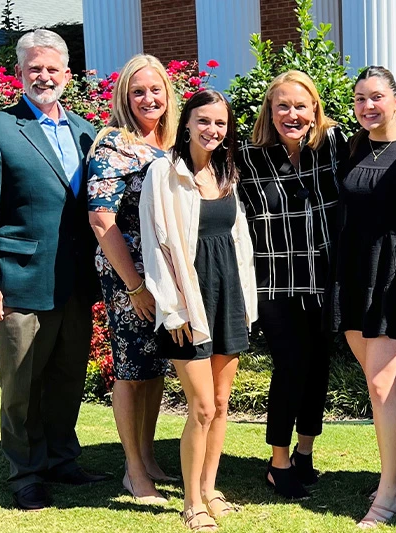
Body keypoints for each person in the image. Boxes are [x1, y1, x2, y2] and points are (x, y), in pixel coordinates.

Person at [0, 29, 107, 511]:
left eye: (52, 68)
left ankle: (62, 459)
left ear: (68, 74)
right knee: (22, 384)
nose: (44, 76)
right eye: (34, 68)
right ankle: (26, 472)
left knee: (68, 377)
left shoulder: (87, 130)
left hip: (75, 281)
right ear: (19, 73)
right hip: (20, 278)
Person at [140, 90, 257, 532]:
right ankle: (192, 503)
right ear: (186, 122)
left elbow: (239, 242)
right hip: (188, 302)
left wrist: (246, 302)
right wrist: (173, 310)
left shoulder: (227, 173)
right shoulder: (164, 172)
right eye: (203, 120)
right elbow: (155, 246)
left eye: (220, 123)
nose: (212, 129)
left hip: (228, 295)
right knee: (202, 407)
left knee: (222, 403)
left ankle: (210, 489)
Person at [329, 66, 396, 528]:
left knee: (381, 386)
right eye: (360, 98)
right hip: (355, 275)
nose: (368, 106)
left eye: (376, 97)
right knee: (378, 386)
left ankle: (390, 493)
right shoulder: (352, 147)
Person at [237, 70, 347, 500]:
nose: (292, 114)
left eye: (301, 105)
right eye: (282, 105)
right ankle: (278, 462)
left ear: (315, 109)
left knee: (318, 369)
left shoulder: (333, 145)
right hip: (275, 284)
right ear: (269, 110)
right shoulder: (248, 156)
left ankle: (305, 453)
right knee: (290, 367)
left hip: (325, 280)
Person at [87, 54, 179, 505]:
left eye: (155, 89)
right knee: (130, 369)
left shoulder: (170, 143)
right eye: (138, 91)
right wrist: (135, 286)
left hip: (165, 274)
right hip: (129, 276)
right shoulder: (114, 145)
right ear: (124, 96)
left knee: (155, 367)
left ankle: (147, 456)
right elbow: (101, 219)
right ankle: (134, 472)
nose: (148, 98)